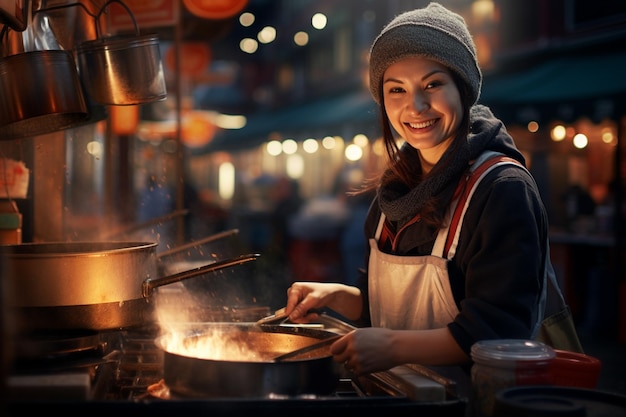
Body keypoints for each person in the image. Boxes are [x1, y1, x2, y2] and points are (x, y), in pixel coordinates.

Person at [283, 2, 553, 377]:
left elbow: (500, 331)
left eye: (432, 84)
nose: (416, 105)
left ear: (463, 88)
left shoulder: (501, 188)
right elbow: (386, 305)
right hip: (401, 396)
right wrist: (337, 297)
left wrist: (391, 346)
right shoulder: (394, 192)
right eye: (396, 89)